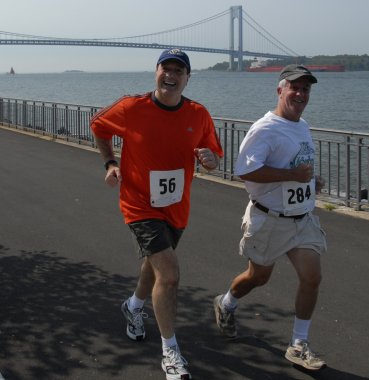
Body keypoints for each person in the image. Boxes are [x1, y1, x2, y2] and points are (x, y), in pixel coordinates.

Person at [91, 48, 223, 380]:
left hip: (176, 208)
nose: (172, 75)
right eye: (167, 68)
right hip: (139, 204)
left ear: (187, 78)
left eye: (179, 71)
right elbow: (99, 126)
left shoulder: (199, 114)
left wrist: (210, 160)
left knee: (155, 265)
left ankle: (133, 307)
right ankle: (171, 352)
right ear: (156, 72)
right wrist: (110, 162)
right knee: (171, 273)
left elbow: (215, 156)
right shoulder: (131, 107)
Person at [213, 64, 327, 371]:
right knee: (258, 277)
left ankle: (298, 344)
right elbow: (246, 171)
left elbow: (298, 167)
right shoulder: (265, 128)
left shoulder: (302, 126)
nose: (300, 94)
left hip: (301, 218)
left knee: (312, 277)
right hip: (270, 218)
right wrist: (292, 174)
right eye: (295, 88)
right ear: (280, 90)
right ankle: (226, 303)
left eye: (306, 89)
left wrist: (310, 183)